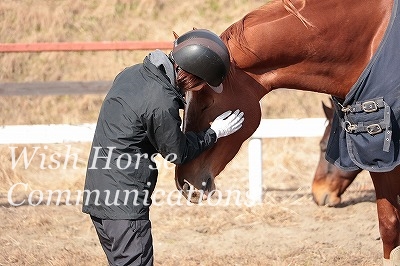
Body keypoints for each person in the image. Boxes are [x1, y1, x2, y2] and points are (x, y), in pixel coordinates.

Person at [82, 29, 244, 266]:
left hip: (100, 195)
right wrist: (214, 133)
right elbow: (176, 152)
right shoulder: (161, 101)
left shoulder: (133, 73)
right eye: (200, 84)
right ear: (192, 77)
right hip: (123, 206)